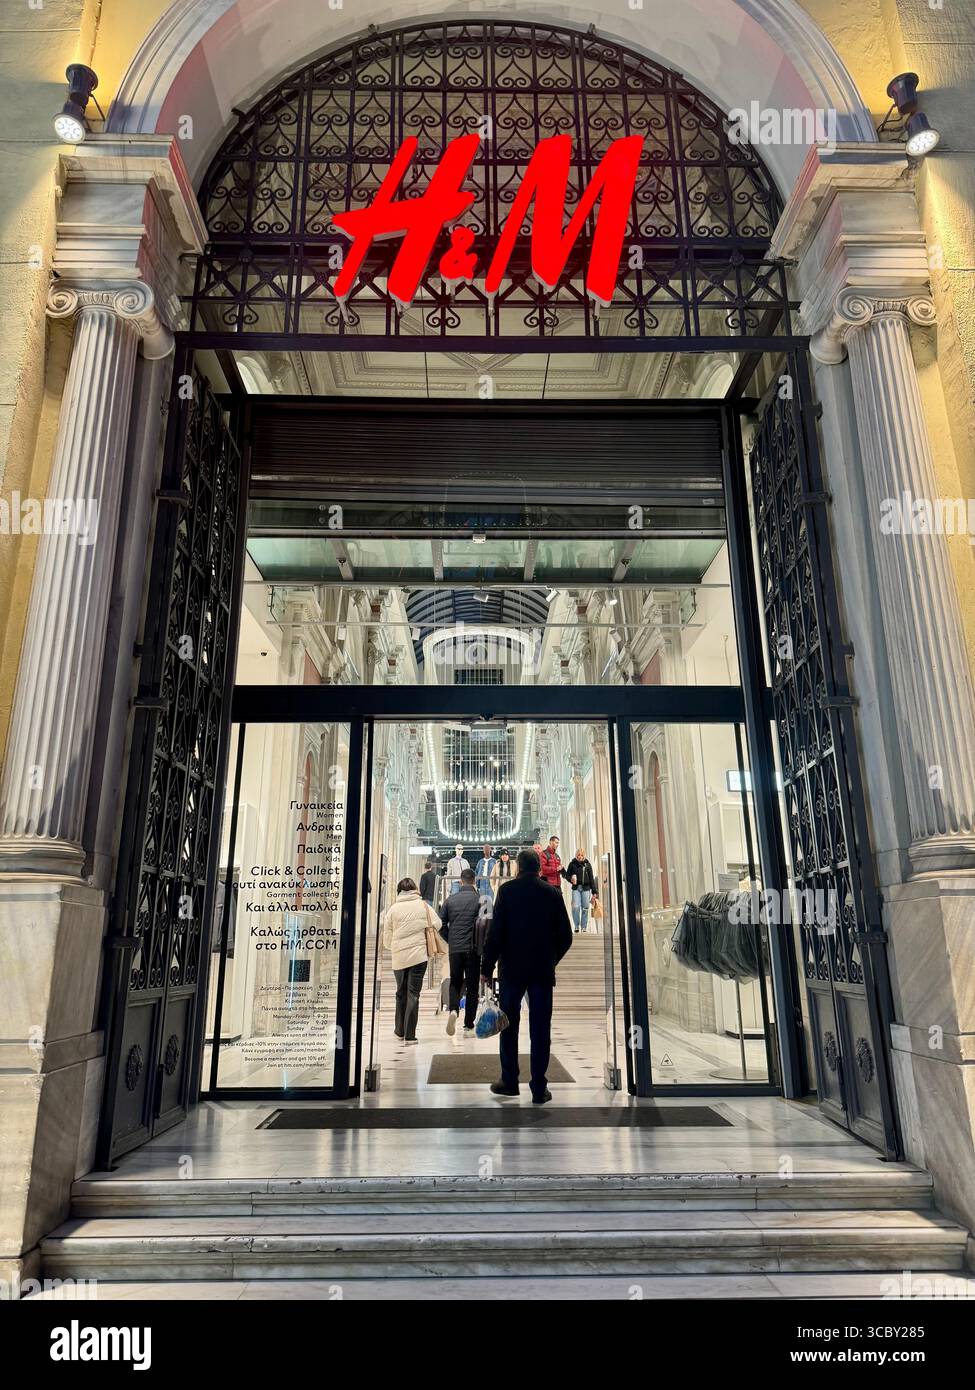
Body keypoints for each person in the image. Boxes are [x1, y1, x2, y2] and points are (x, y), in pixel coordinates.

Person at [480, 848, 573, 1103]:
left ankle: (510, 1081)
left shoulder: (507, 892)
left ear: (518, 868)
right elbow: (566, 936)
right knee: (541, 1029)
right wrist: (551, 960)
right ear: (539, 869)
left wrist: (486, 969)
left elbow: (495, 934)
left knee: (508, 1025)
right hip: (542, 971)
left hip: (512, 970)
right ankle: (539, 1087)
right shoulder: (553, 893)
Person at [381, 877, 441, 1044]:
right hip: (418, 956)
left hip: (399, 957)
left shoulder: (393, 909)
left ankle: (399, 1031)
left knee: (400, 993)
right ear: (415, 889)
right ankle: (410, 1035)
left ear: (399, 890)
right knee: (413, 994)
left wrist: (394, 946)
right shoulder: (423, 906)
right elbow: (438, 923)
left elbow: (386, 937)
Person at [439, 867, 482, 1036]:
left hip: (455, 948)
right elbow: (488, 925)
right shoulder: (481, 900)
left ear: (461, 881)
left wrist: (450, 939)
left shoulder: (450, 900)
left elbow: (440, 923)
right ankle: (469, 1023)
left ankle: (454, 1010)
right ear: (474, 881)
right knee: (472, 986)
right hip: (473, 949)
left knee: (455, 982)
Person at [564, 847, 598, 932]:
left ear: (584, 856)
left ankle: (583, 927)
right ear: (576, 855)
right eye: (578, 855)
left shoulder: (587, 864)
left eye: (581, 855)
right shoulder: (572, 864)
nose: (580, 856)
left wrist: (594, 891)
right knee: (575, 907)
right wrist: (571, 879)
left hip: (586, 889)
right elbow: (567, 875)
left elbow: (591, 878)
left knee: (585, 907)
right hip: (576, 888)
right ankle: (576, 925)